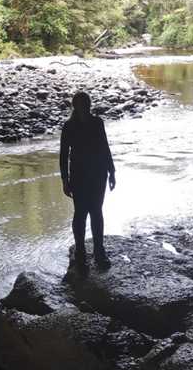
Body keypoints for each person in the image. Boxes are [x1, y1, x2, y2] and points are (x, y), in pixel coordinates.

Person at [59, 91, 116, 270]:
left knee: (96, 212)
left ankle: (99, 251)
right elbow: (63, 155)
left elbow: (105, 147)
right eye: (81, 105)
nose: (84, 107)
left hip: (98, 174)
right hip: (79, 175)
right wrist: (65, 180)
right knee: (81, 213)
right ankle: (81, 251)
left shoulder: (97, 123)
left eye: (86, 104)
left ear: (89, 105)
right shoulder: (68, 127)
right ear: (75, 106)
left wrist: (112, 171)